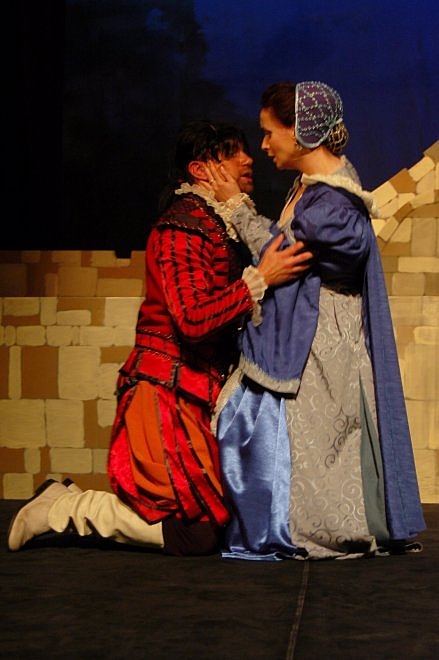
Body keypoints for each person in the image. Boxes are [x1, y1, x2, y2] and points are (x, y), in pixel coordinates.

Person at [7, 119, 312, 556]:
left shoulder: (217, 224)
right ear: (200, 169)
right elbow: (191, 319)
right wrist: (258, 281)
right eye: (231, 153)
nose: (248, 159)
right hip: (164, 393)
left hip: (197, 393)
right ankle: (65, 509)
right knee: (196, 534)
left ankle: (64, 500)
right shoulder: (181, 226)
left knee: (229, 520)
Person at [205, 81, 426, 560]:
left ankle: (313, 526)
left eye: (270, 132)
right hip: (306, 332)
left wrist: (237, 207)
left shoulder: (334, 205)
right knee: (300, 442)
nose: (264, 145)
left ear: (299, 132)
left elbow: (283, 255)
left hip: (321, 339)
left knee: (319, 445)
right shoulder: (312, 188)